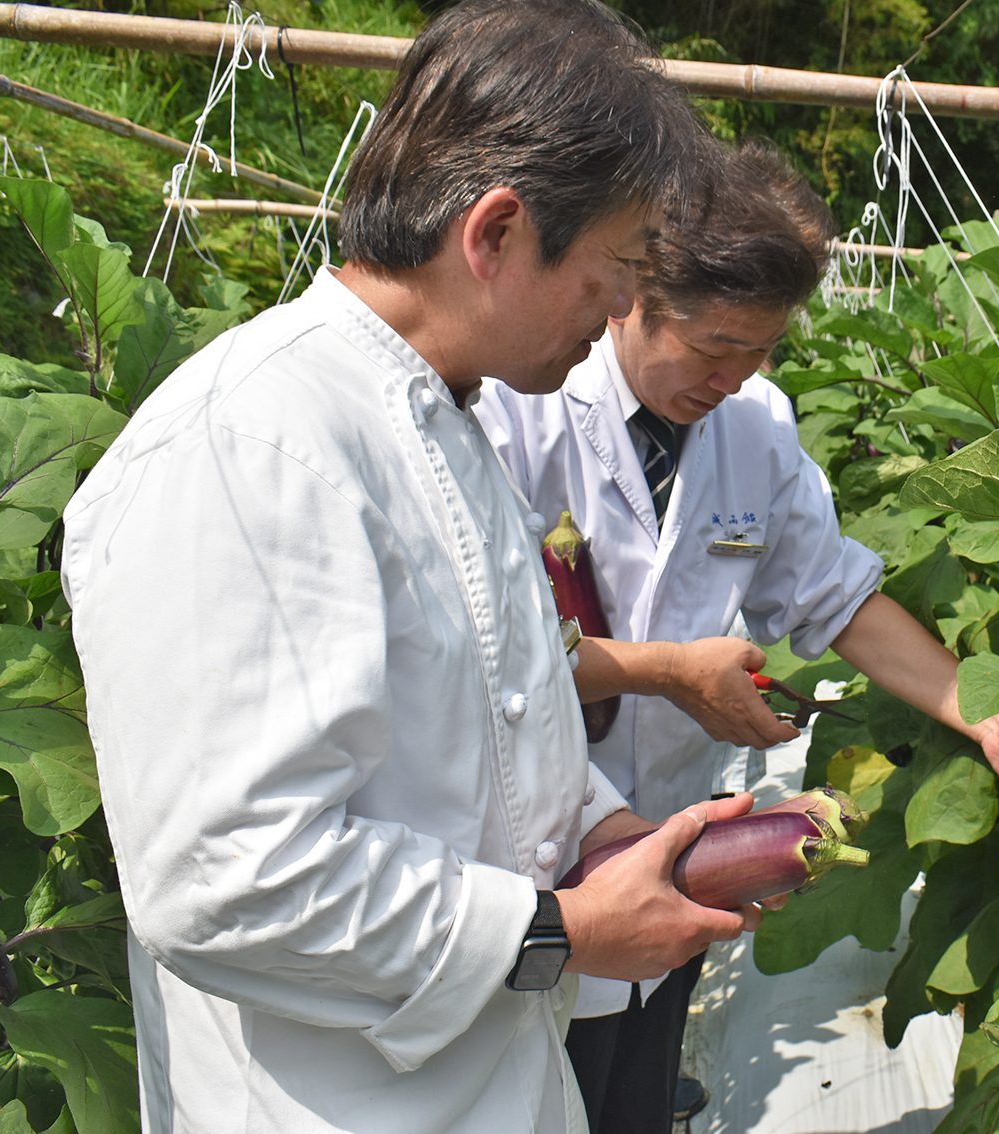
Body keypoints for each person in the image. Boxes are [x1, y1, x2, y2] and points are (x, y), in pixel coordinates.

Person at [59, 3, 759, 1131]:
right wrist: (558, 935)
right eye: (614, 269)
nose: (626, 310)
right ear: (492, 234)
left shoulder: (442, 423)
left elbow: (490, 713)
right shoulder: (252, 446)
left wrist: (605, 831)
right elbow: (225, 879)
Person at [476, 139, 999, 1134]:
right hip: (532, 872)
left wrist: (976, 705)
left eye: (760, 350)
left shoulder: (759, 426)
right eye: (712, 347)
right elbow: (483, 654)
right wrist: (668, 675)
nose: (735, 377)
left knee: (635, 1094)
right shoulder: (518, 412)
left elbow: (836, 599)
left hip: (680, 862)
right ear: (629, 299)